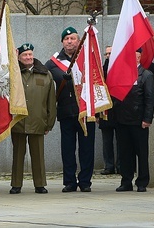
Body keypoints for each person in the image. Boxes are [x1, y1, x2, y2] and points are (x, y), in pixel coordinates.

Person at [46, 26, 95, 193]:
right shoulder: (53, 62)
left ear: (78, 40)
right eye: (66, 39)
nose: (69, 41)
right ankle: (69, 182)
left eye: (73, 38)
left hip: (85, 111)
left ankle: (85, 181)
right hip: (66, 112)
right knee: (68, 149)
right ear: (62, 42)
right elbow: (40, 75)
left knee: (86, 148)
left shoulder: (86, 58)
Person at [10, 43, 56, 194]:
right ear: (19, 57)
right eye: (25, 55)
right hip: (18, 121)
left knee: (38, 154)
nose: (28, 57)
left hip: (38, 120)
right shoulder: (13, 74)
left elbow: (50, 100)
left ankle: (40, 184)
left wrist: (49, 123)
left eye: (30, 54)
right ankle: (16, 184)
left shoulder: (45, 74)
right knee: (18, 154)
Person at [113, 49, 154, 193]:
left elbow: (150, 99)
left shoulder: (146, 75)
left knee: (141, 153)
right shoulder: (121, 74)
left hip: (139, 121)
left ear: (139, 58)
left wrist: (147, 118)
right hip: (122, 120)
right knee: (125, 153)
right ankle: (126, 181)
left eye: (135, 56)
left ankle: (142, 181)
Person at [99, 45, 118, 174]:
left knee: (121, 140)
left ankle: (121, 165)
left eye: (111, 53)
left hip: (119, 110)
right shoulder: (101, 70)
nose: (108, 56)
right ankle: (109, 165)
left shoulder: (120, 68)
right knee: (107, 141)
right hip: (105, 109)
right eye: (106, 54)